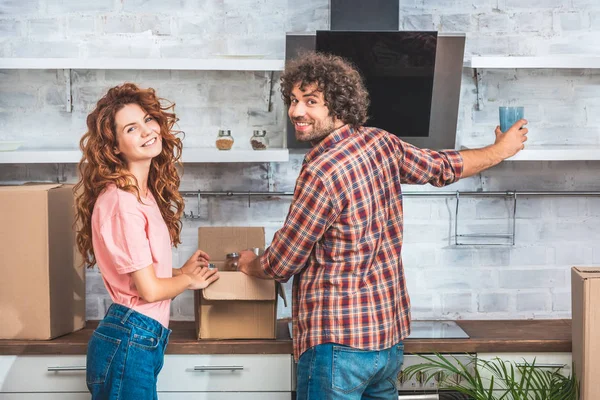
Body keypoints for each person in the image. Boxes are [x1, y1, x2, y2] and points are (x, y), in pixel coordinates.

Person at [237, 52, 528, 400]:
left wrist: (250, 263)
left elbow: (283, 261)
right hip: (386, 342)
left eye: (310, 101)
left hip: (337, 343)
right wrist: (500, 149)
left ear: (339, 106)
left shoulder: (321, 169)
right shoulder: (381, 143)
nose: (296, 112)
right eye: (294, 101)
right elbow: (445, 166)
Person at [74, 83, 219, 399]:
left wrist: (181, 272)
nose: (146, 131)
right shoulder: (121, 202)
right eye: (131, 128)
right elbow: (149, 290)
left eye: (148, 120)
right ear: (114, 146)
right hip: (130, 337)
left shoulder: (142, 193)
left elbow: (144, 277)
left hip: (139, 336)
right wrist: (188, 281)